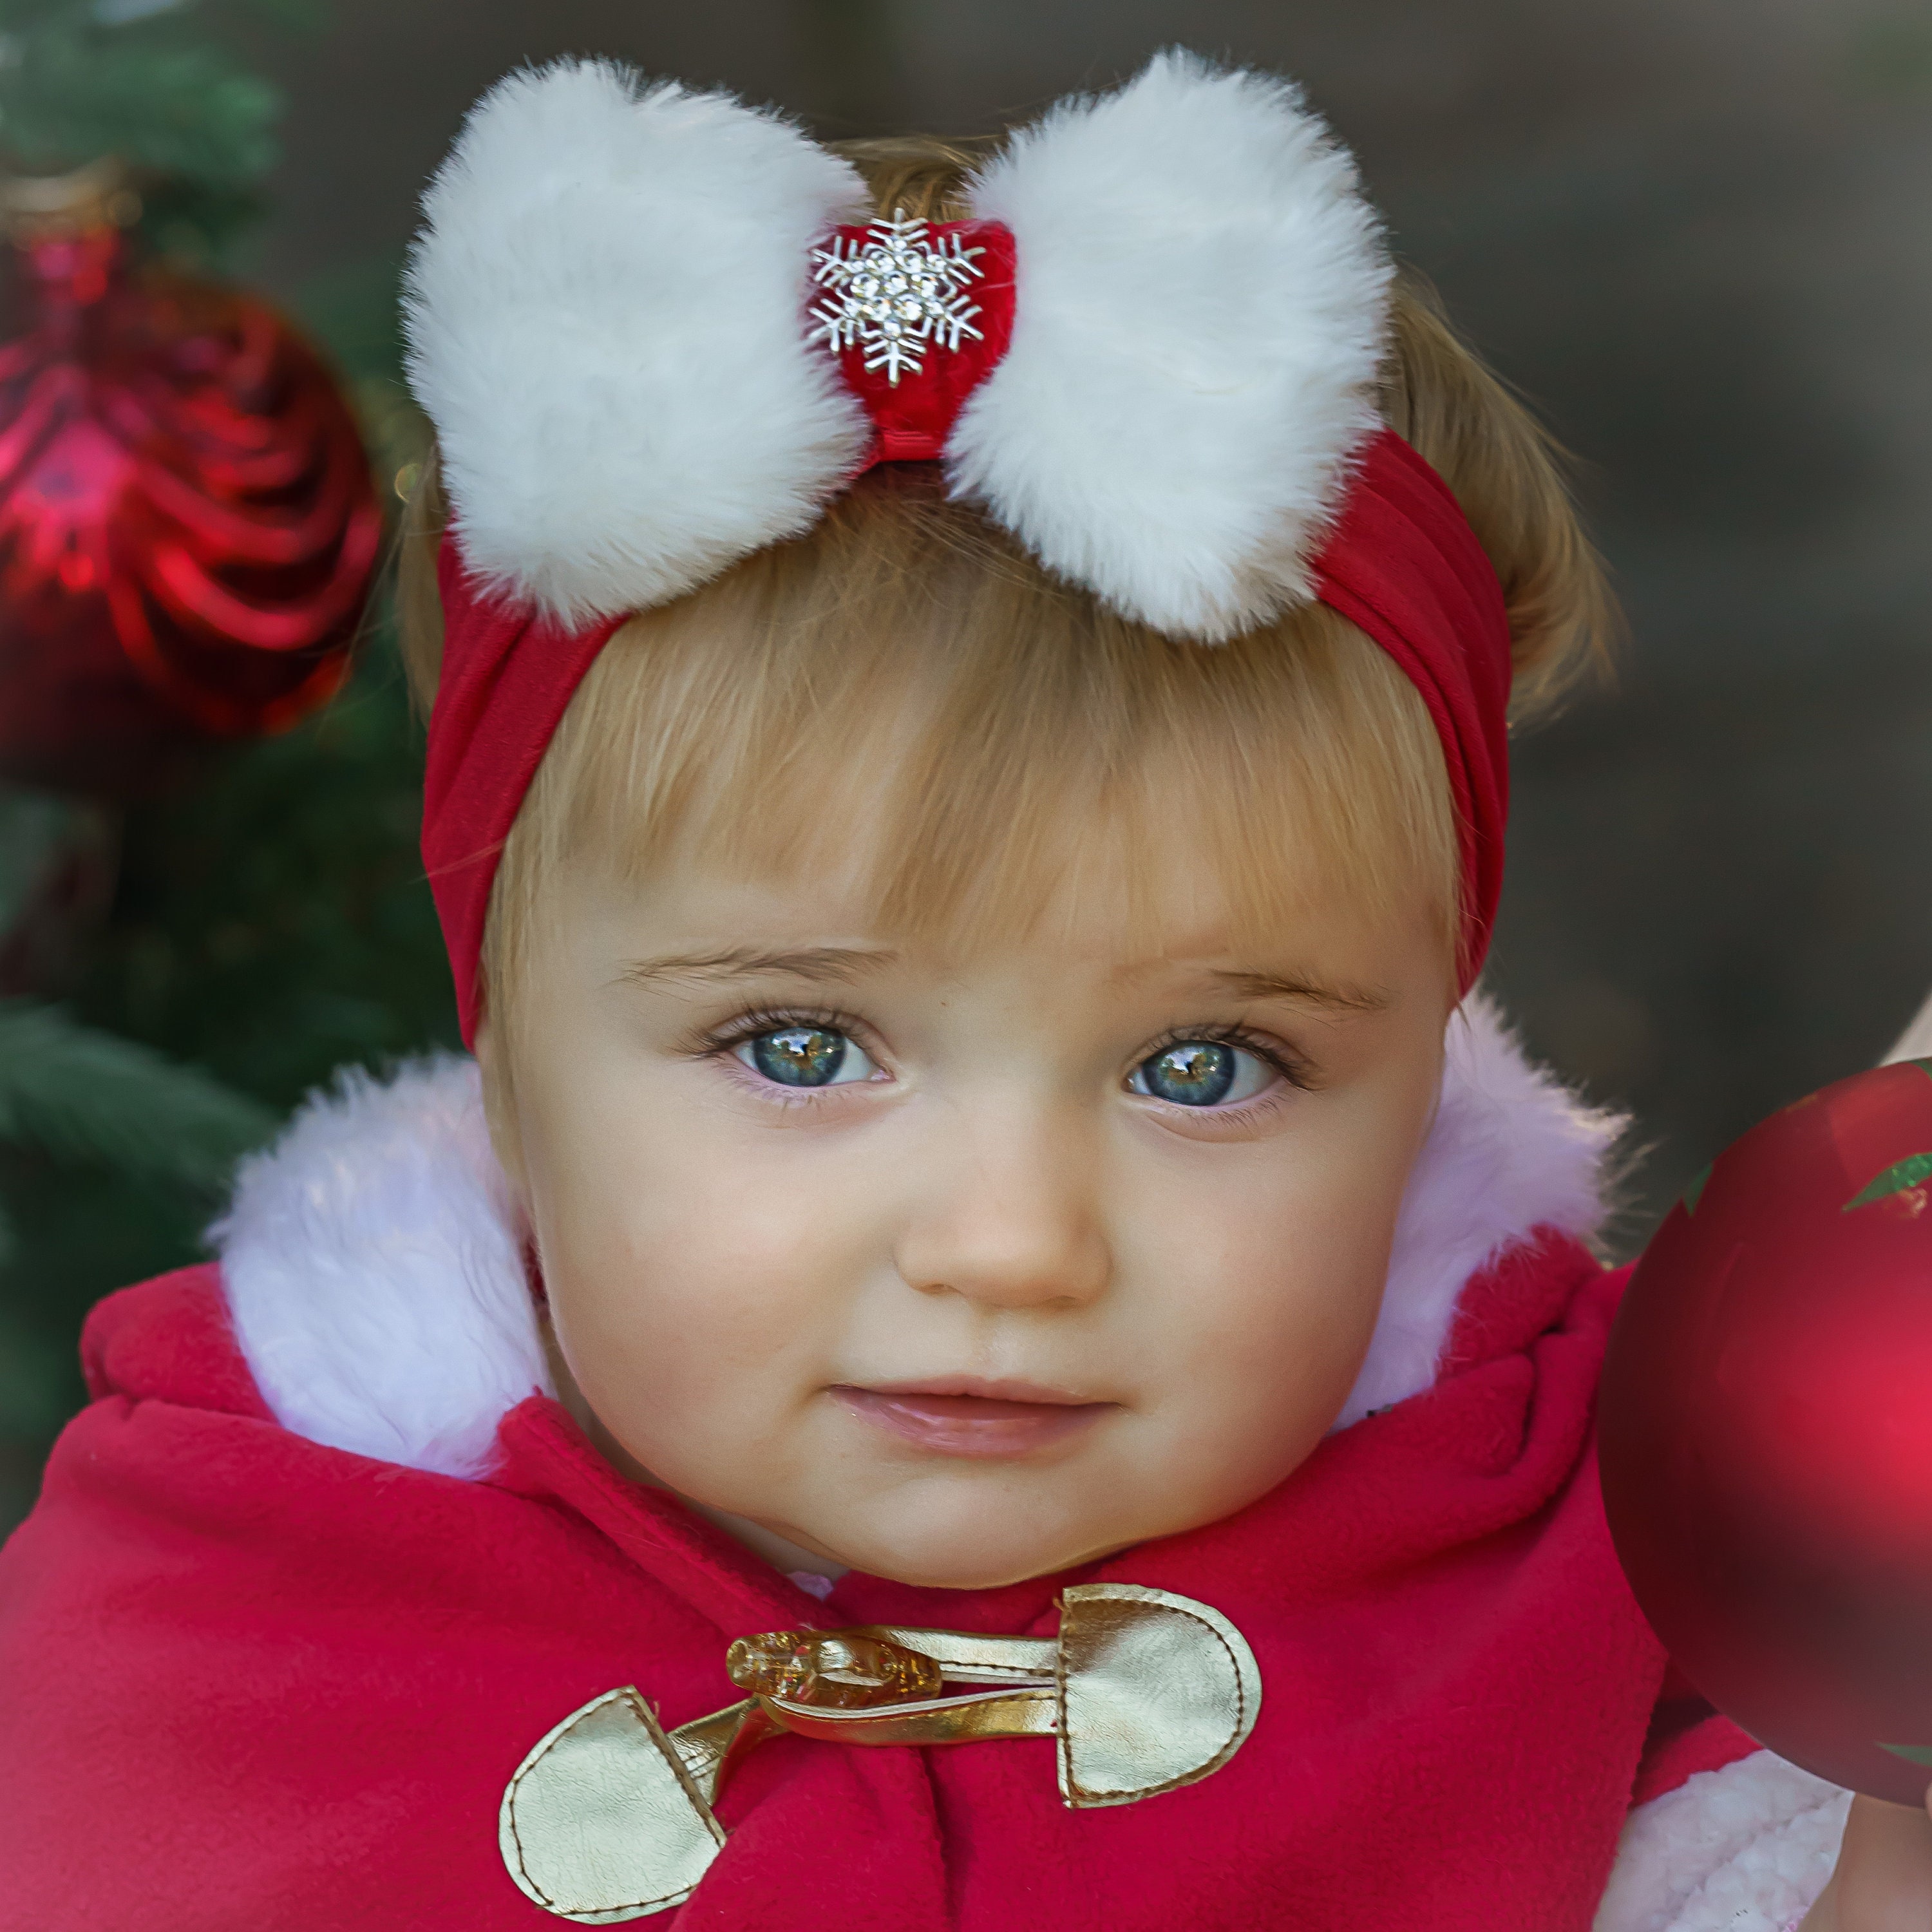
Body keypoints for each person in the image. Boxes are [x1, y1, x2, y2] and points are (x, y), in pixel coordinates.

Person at [0, 48, 1915, 1930]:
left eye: (1205, 1063)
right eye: (802, 1044)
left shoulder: (1653, 1563)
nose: (1011, 1250)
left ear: (1422, 1062)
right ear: (509, 1063)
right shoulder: (215, 1628)